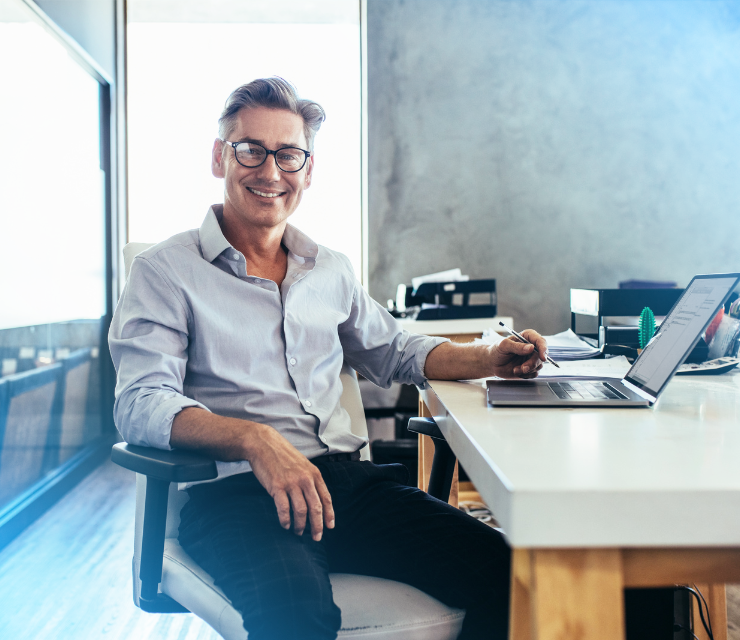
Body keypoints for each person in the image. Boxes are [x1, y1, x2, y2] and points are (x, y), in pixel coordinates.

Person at [109, 77, 548, 640]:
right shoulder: (165, 272)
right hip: (238, 498)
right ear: (220, 156)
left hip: (346, 486)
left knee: (515, 577)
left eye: (288, 154)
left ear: (308, 170)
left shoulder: (329, 268)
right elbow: (141, 401)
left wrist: (491, 356)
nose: (270, 172)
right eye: (250, 149)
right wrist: (256, 440)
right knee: (295, 618)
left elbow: (395, 350)